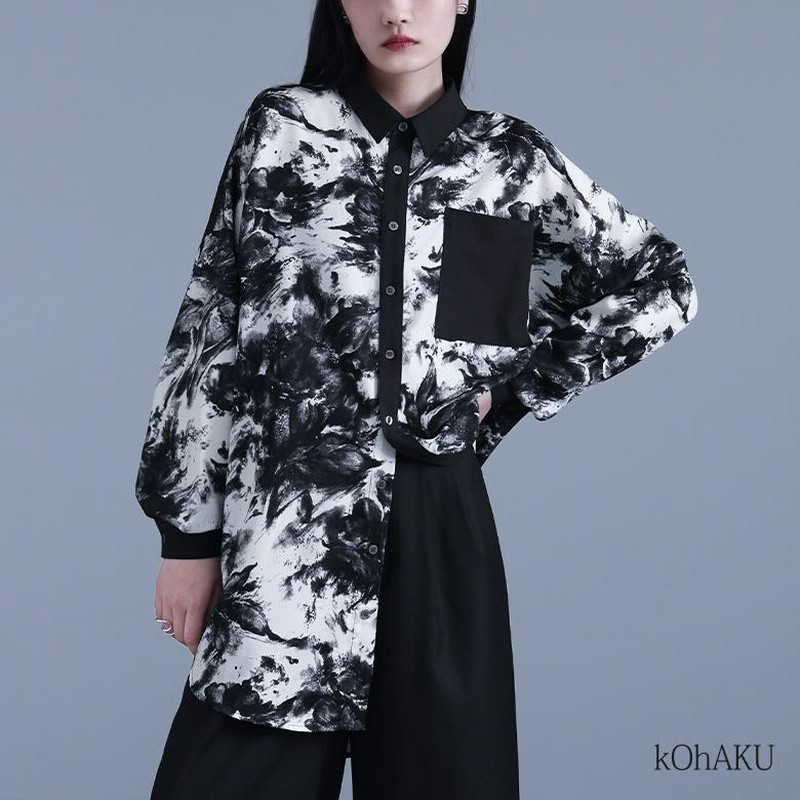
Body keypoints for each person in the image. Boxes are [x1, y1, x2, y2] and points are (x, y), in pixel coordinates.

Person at [135, 1, 699, 797]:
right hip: (286, 534)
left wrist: (512, 392)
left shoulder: (510, 160)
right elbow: (210, 332)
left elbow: (660, 284)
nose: (397, 10)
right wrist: (187, 539)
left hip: (439, 529)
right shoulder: (283, 129)